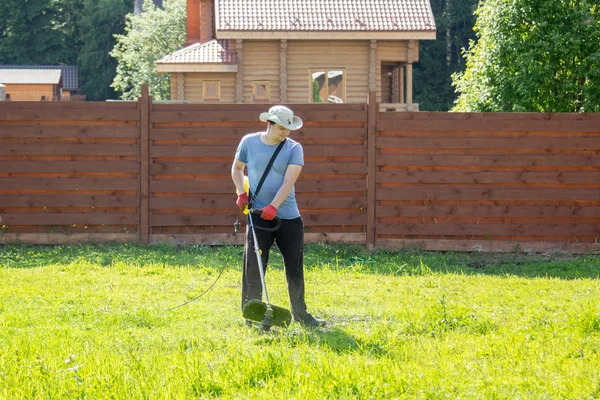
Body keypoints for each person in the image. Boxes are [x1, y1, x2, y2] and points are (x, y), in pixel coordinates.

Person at [231, 105, 326, 327]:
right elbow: (237, 169)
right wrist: (241, 193)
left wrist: (274, 206)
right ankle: (251, 314)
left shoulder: (294, 148)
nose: (286, 132)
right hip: (256, 215)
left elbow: (288, 181)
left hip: (288, 218)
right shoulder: (249, 142)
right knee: (253, 266)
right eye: (282, 128)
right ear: (270, 124)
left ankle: (301, 315)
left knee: (294, 266)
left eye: (289, 128)